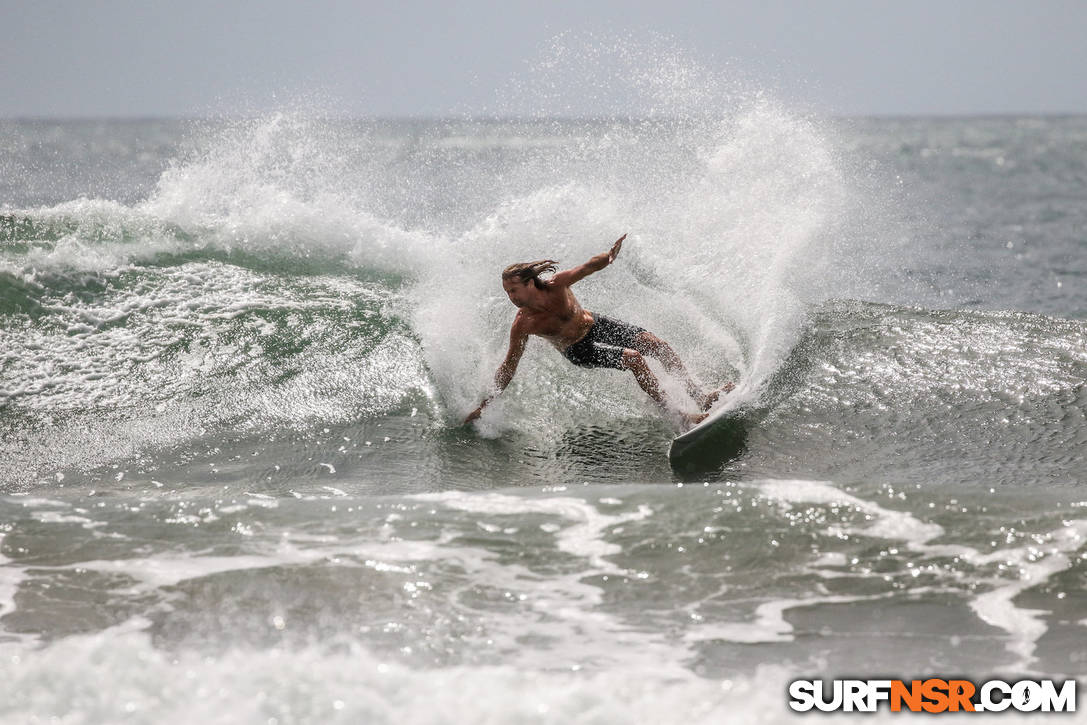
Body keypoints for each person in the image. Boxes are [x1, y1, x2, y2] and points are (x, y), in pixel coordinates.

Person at [464, 234, 732, 426]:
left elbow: (588, 267)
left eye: (514, 290)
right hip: (577, 349)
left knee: (657, 345)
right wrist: (485, 404)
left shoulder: (558, 284)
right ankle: (681, 416)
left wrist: (609, 256)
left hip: (597, 325)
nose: (511, 296)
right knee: (634, 359)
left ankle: (701, 397)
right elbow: (509, 366)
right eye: (507, 292)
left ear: (530, 282)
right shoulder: (524, 323)